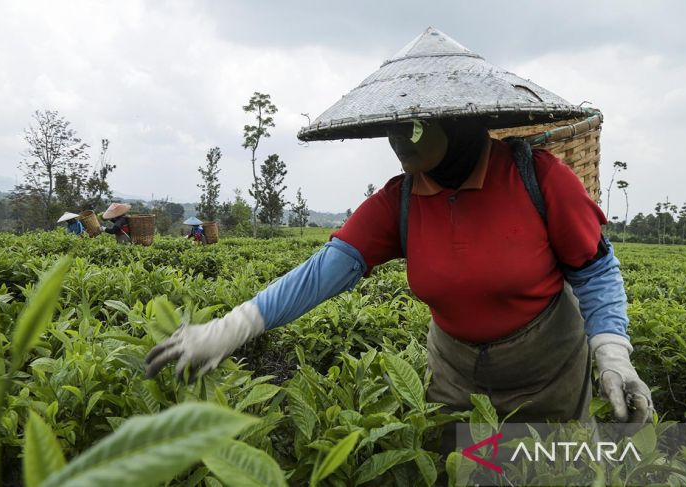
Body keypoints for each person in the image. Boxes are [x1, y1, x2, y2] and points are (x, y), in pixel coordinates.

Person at [145, 28, 652, 439]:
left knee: (550, 470)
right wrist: (231, 328)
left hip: (547, 371)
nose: (397, 143)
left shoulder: (538, 178)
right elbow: (322, 273)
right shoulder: (400, 200)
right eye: (391, 129)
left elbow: (595, 268)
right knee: (465, 468)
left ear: (457, 123)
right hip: (455, 373)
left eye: (411, 128)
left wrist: (612, 352)